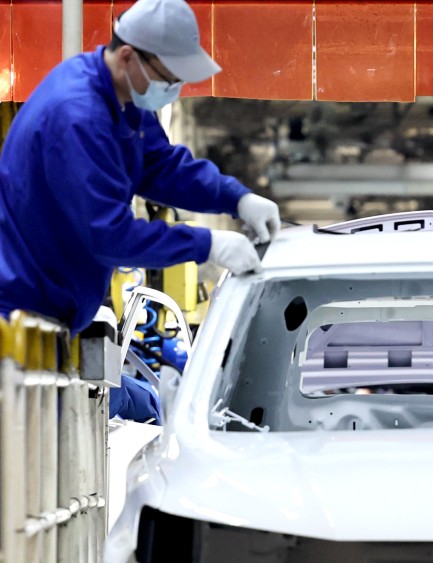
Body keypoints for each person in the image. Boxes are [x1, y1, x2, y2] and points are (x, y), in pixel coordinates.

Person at [0, 0, 280, 336]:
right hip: (18, 312)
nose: (174, 90)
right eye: (168, 78)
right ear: (128, 56)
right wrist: (206, 244)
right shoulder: (79, 117)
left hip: (46, 309)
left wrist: (236, 198)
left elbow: (160, 166)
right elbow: (109, 234)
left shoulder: (121, 98)